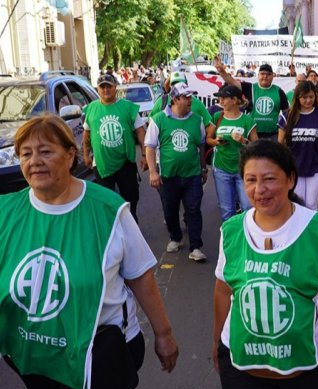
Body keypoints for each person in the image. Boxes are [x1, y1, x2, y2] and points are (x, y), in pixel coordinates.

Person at [0, 114, 178, 389]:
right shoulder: (6, 211)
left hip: (97, 355)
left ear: (71, 155)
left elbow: (141, 277)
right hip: (32, 351)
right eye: (25, 153)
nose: (34, 161)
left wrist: (164, 334)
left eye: (45, 151)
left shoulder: (108, 210)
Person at [212, 140, 318, 389]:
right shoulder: (231, 230)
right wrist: (217, 345)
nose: (259, 190)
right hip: (242, 371)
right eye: (250, 180)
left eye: (269, 179)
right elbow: (223, 292)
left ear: (290, 179)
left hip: (311, 370)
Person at [145, 82, 208, 262]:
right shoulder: (158, 120)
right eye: (186, 97)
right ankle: (176, 237)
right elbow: (149, 147)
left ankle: (196, 246)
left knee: (194, 210)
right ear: (175, 99)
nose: (190, 100)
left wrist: (203, 168)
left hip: (192, 175)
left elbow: (201, 145)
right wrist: (152, 172)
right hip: (168, 176)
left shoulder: (197, 120)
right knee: (169, 210)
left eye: (190, 97)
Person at [83, 74, 147, 222]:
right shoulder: (91, 109)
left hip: (125, 163)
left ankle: (131, 231)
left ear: (115, 87)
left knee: (130, 200)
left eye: (108, 86)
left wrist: (144, 155)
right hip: (102, 165)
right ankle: (112, 233)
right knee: (105, 204)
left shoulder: (127, 107)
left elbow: (140, 131)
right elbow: (87, 134)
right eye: (102, 87)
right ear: (98, 89)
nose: (105, 89)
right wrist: (86, 154)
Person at [278, 81, 318, 210]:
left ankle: (311, 230)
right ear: (297, 97)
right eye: (304, 97)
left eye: (311, 97)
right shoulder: (286, 116)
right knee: (298, 204)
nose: (308, 100)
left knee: (311, 204)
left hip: (316, 165)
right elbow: (280, 143)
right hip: (294, 167)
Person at [206, 85, 257, 221]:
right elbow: (208, 139)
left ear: (235, 100)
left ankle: (247, 237)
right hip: (221, 169)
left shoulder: (247, 120)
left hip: (243, 170)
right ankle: (229, 240)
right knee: (227, 210)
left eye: (224, 98)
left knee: (247, 207)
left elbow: (256, 146)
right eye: (219, 99)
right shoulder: (217, 116)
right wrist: (217, 141)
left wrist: (243, 141)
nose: (220, 101)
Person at [216, 60, 289, 141]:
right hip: (252, 133)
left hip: (273, 135)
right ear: (258, 75)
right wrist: (222, 71)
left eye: (268, 74)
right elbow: (232, 82)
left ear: (273, 76)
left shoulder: (279, 91)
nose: (265, 76)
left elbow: (286, 114)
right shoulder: (250, 88)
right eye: (262, 74)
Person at [148, 71, 213, 125]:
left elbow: (209, 124)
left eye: (180, 83)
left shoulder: (197, 103)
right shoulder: (162, 101)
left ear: (186, 84)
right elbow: (151, 121)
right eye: (174, 84)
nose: (178, 86)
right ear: (170, 86)